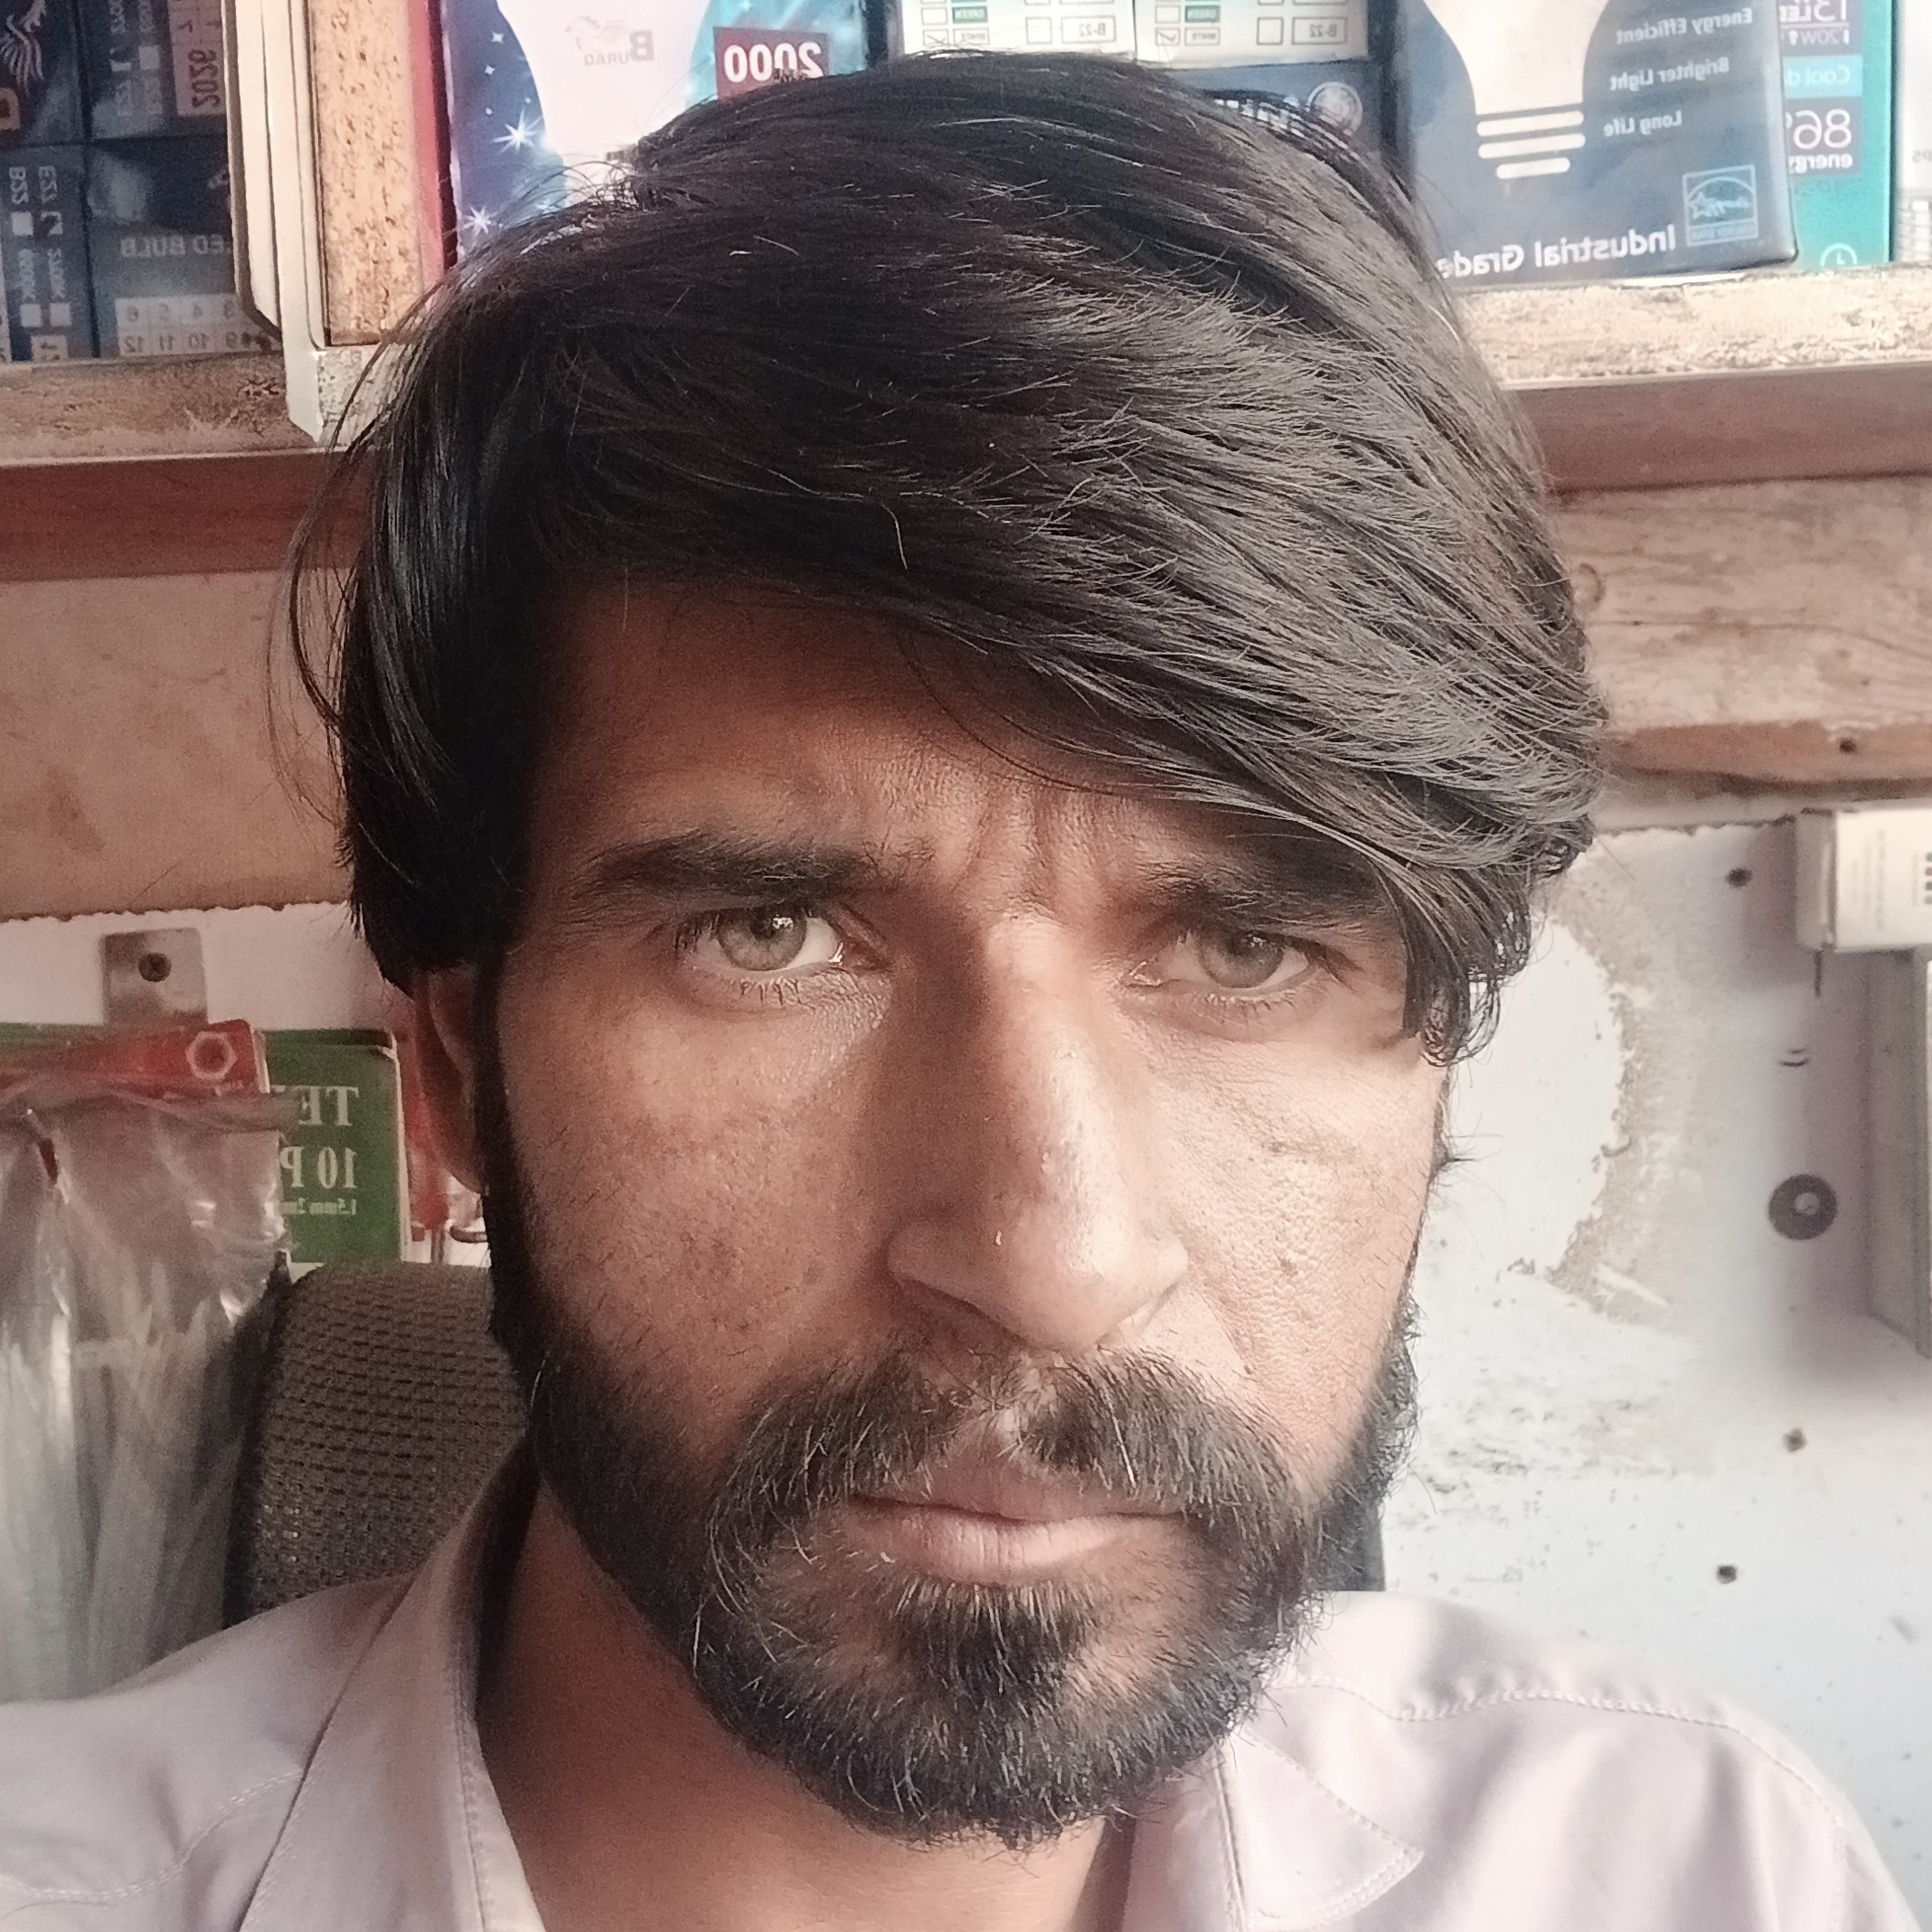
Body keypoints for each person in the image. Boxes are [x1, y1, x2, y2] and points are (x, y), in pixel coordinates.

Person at [0, 52, 1915, 1932]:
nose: (1048, 1260)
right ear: (453, 1065)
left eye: (1244, 949)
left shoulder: (1697, 1873)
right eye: (770, 936)